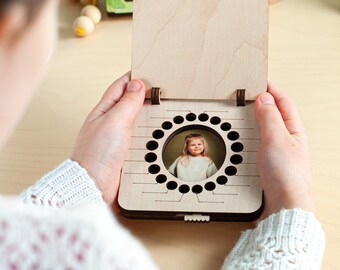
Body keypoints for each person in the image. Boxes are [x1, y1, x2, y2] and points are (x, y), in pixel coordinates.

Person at [0, 0, 325, 269]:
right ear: (10, 26)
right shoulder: (100, 253)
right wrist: (292, 204)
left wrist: (88, 181)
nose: (198, 144)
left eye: (200, 142)